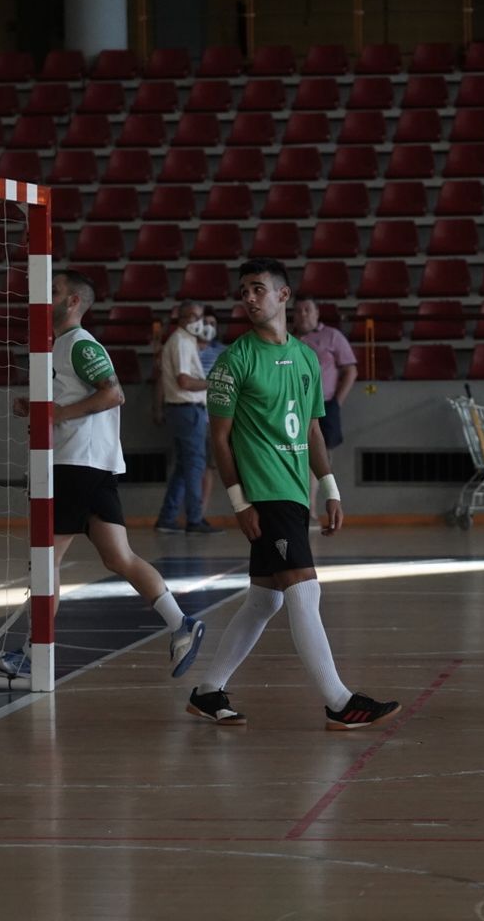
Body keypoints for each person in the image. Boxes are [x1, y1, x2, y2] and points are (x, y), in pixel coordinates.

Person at [187, 257, 400, 730]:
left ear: (284, 296)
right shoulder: (233, 360)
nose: (248, 297)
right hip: (265, 494)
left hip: (296, 491)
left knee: (266, 601)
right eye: (243, 290)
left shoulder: (306, 357)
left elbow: (313, 430)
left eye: (258, 288)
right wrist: (240, 503)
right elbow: (218, 439)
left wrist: (330, 488)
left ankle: (207, 691)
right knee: (304, 590)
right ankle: (340, 702)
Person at [0, 269, 206, 677]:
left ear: (73, 302)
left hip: (76, 464)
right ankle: (181, 624)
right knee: (119, 557)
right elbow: (76, 397)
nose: (42, 296)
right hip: (92, 466)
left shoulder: (78, 343)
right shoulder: (60, 346)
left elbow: (114, 393)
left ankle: (32, 653)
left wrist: (58, 414)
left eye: (52, 290)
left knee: (46, 560)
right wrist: (39, 408)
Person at [153, 301, 222, 536]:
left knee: (184, 467)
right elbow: (184, 381)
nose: (197, 321)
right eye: (191, 316)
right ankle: (194, 519)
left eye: (199, 317)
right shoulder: (181, 341)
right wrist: (213, 383)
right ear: (180, 318)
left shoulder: (186, 340)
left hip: (184, 409)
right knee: (195, 465)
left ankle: (167, 517)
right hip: (187, 408)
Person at [290, 295, 356, 525]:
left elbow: (350, 370)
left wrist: (337, 401)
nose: (303, 314)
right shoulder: (286, 339)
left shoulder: (332, 336)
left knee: (319, 457)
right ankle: (299, 509)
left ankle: (310, 510)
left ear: (317, 313)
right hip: (292, 406)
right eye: (298, 310)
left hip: (325, 404)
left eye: (308, 310)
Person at [195, 309, 226, 514]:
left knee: (208, 467)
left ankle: (201, 511)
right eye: (204, 322)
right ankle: (192, 514)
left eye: (212, 323)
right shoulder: (188, 348)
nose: (208, 327)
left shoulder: (223, 352)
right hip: (192, 414)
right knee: (191, 466)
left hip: (213, 418)